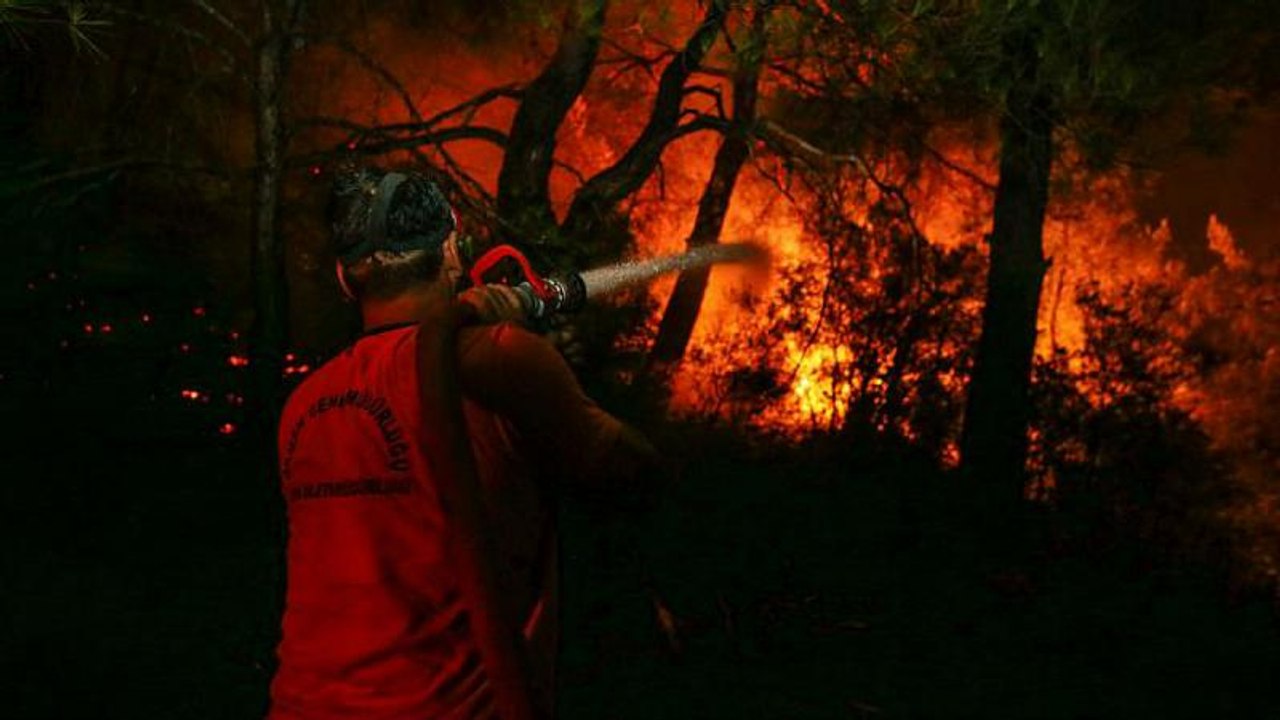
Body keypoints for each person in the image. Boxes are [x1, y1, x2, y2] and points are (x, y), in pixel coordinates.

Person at [268, 166, 658, 719]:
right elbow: (634, 471)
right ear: (452, 252)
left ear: (344, 278)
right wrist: (565, 370)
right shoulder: (496, 358)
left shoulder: (303, 405)